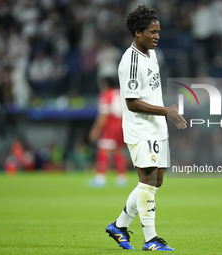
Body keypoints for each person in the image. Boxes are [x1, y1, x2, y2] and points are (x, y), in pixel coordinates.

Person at [105, 4, 187, 251]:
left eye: (159, 31)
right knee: (148, 180)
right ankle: (151, 239)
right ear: (138, 33)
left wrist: (164, 114)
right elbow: (131, 102)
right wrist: (166, 111)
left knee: (156, 181)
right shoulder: (129, 61)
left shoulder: (152, 53)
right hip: (140, 127)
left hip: (157, 125)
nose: (157, 36)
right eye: (152, 32)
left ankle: (119, 226)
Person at [89, 77, 128, 187]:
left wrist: (96, 129)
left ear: (105, 84)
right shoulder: (121, 93)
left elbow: (104, 114)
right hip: (122, 124)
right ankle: (122, 178)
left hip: (111, 125)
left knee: (103, 150)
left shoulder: (106, 94)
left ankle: (100, 178)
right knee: (118, 150)